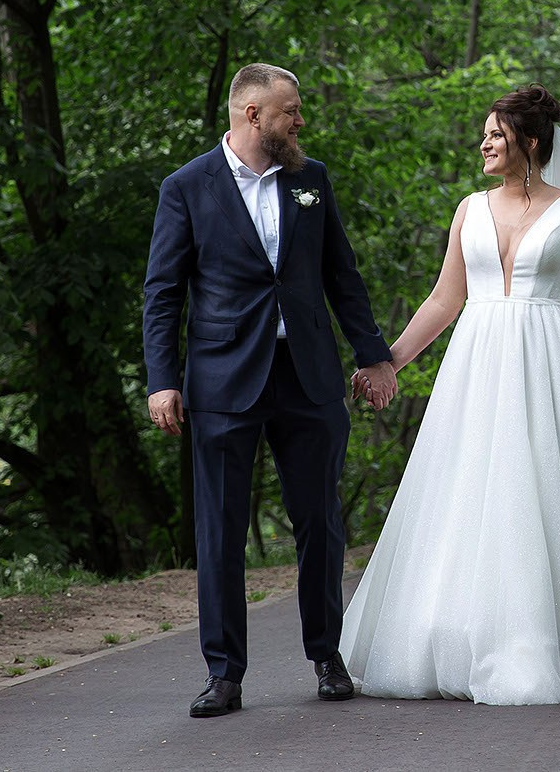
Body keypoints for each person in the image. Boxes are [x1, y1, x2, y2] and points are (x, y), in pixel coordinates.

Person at [338, 84, 560, 705]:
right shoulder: (470, 207)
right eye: (484, 134)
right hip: (477, 361)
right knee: (469, 490)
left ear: (529, 142)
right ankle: (457, 635)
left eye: (496, 134)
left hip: (550, 361)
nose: (484, 144)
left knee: (548, 490)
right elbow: (446, 299)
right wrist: (388, 362)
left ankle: (559, 640)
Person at [141, 64, 397, 717]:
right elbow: (163, 292)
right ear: (252, 114)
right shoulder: (186, 187)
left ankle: (326, 654)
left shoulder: (311, 180)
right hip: (223, 380)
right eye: (290, 110)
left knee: (320, 522)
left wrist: (374, 356)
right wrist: (162, 380)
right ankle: (225, 674)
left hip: (307, 377)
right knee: (220, 530)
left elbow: (343, 274)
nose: (300, 120)